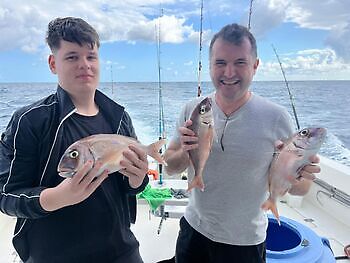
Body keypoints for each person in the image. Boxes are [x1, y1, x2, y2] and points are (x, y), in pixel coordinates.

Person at [163, 23, 320, 263]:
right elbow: (170, 168)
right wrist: (185, 151)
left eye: (240, 62)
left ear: (255, 66)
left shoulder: (277, 117)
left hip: (245, 243)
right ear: (210, 67)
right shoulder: (192, 109)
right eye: (220, 63)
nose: (228, 73)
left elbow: (299, 190)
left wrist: (303, 175)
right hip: (194, 231)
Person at [0, 17, 149, 263]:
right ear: (52, 63)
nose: (84, 65)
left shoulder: (120, 118)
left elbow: (131, 186)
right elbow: (6, 195)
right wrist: (58, 197)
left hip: (121, 251)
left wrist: (137, 179)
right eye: (72, 57)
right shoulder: (29, 121)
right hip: (53, 255)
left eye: (91, 56)